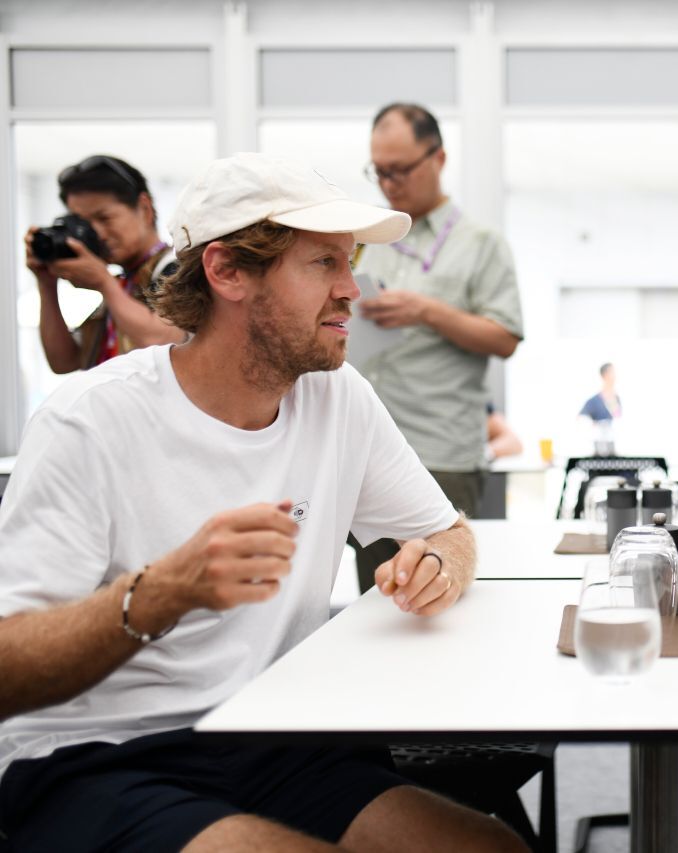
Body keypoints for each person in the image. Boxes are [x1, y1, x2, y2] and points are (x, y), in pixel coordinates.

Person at [0, 152, 525, 853]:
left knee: (492, 848)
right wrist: (159, 594)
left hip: (269, 735)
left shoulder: (337, 397)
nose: (352, 291)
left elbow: (447, 531)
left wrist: (439, 564)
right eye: (323, 264)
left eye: (351, 261)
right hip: (98, 752)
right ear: (228, 272)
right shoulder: (88, 419)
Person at [355, 103, 523, 520]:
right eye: (379, 171)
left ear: (439, 159)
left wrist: (428, 311)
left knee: (442, 581)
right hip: (369, 448)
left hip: (442, 454)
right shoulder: (369, 239)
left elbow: (504, 338)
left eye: (400, 169)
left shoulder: (482, 243)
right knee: (376, 586)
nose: (389, 184)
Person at [25, 154, 185, 373]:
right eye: (84, 224)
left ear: (145, 208)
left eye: (104, 218)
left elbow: (164, 341)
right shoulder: (122, 283)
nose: (96, 233)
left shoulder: (178, 269)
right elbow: (63, 362)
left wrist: (104, 283)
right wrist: (46, 283)